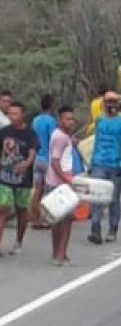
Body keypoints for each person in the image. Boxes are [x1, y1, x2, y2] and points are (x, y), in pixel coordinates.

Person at [88, 91, 121, 245]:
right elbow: (97, 142)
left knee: (113, 199)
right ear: (104, 103)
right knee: (96, 197)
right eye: (108, 102)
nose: (111, 105)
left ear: (118, 104)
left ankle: (112, 229)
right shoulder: (99, 120)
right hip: (99, 164)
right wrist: (91, 162)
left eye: (114, 102)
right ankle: (95, 229)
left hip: (115, 165)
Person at [0, 101, 39, 255]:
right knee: (2, 208)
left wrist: (26, 164)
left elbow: (32, 151)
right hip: (4, 176)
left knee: (21, 210)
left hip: (23, 178)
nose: (12, 117)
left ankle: (19, 241)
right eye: (9, 113)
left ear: (22, 115)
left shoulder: (30, 133)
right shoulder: (3, 131)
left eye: (15, 114)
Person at [45, 105, 77, 266]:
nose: (70, 122)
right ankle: (61, 253)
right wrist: (67, 179)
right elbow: (55, 161)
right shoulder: (60, 137)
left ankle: (57, 252)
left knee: (57, 220)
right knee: (65, 221)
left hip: (55, 181)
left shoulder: (62, 135)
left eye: (72, 119)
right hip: (60, 184)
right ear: (59, 120)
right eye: (67, 119)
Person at [30, 94, 57, 228]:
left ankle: (35, 219)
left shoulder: (35, 120)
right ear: (51, 105)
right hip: (47, 160)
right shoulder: (51, 121)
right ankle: (47, 219)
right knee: (50, 191)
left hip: (36, 159)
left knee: (37, 191)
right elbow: (53, 140)